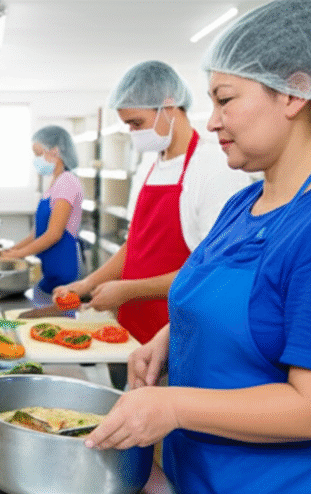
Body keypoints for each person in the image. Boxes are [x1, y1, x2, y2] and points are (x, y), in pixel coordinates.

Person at [85, 1, 311, 493]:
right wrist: (171, 339)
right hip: (195, 475)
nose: (212, 121)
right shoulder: (243, 205)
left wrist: (172, 406)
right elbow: (239, 308)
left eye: (225, 99)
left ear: (295, 93)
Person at [54, 61, 251, 344]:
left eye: (137, 123)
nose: (134, 133)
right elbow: (135, 243)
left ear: (168, 107)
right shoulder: (149, 162)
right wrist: (88, 284)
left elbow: (214, 269)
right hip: (130, 326)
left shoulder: (213, 167)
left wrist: (128, 290)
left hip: (179, 331)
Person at [0, 125, 83, 296]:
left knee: (58, 321)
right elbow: (37, 233)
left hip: (62, 269)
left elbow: (54, 234)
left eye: (38, 154)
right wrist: (11, 251)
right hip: (48, 268)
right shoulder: (55, 183)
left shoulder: (67, 182)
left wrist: (19, 255)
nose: (36, 160)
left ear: (55, 151)